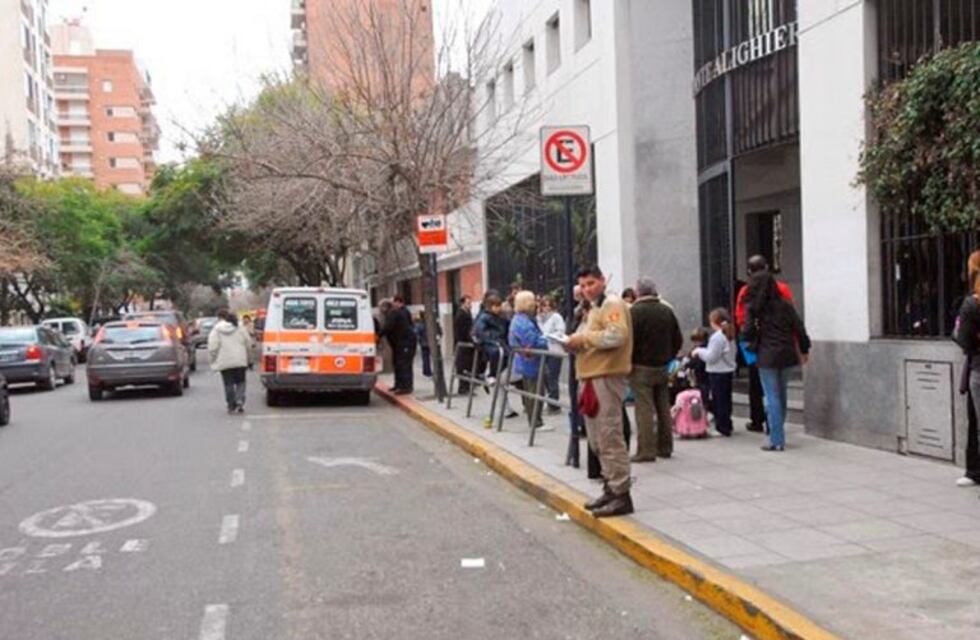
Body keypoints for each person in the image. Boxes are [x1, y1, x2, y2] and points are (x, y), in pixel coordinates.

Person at [565, 265, 634, 517]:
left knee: (609, 436)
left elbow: (617, 336)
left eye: (591, 284)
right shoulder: (593, 308)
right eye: (582, 285)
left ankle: (621, 492)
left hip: (606, 376)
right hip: (591, 376)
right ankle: (610, 487)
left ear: (603, 281)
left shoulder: (612, 305)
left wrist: (582, 340)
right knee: (596, 439)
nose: (586, 289)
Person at [742, 272, 811, 451]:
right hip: (787, 354)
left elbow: (747, 333)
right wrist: (804, 348)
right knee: (781, 394)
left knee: (771, 396)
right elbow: (799, 327)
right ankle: (778, 433)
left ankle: (776, 439)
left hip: (767, 355)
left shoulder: (754, 308)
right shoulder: (785, 305)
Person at [735, 255, 794, 433]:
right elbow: (791, 316)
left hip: (755, 344)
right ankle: (775, 425)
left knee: (757, 383)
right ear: (767, 267)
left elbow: (740, 318)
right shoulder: (782, 288)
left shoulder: (746, 291)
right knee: (779, 389)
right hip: (781, 342)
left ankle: (757, 419)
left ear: (749, 271)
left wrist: (747, 338)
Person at [628, 277, 683, 462]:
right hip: (662, 365)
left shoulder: (634, 312)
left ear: (638, 292)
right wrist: (669, 356)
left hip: (641, 366)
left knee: (644, 409)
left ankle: (646, 450)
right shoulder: (666, 310)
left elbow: (630, 341)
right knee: (663, 406)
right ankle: (665, 446)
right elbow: (678, 339)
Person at [953, 250, 980, 488]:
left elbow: (963, 339)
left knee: (976, 420)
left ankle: (974, 470)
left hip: (978, 366)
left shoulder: (971, 303)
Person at [693, 308, 737, 437]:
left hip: (717, 371)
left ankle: (722, 427)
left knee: (719, 400)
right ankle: (727, 423)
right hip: (727, 370)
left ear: (714, 321)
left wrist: (699, 351)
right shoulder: (729, 334)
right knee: (725, 399)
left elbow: (711, 357)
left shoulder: (717, 337)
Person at [509, 291, 549, 429]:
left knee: (531, 391)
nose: (535, 304)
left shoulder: (517, 319)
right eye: (532, 301)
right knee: (536, 392)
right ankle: (536, 422)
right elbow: (534, 342)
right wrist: (546, 339)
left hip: (524, 362)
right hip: (532, 362)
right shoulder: (525, 323)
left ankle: (534, 420)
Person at [208, 309, 253, 414]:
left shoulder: (216, 330)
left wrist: (213, 361)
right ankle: (240, 400)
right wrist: (249, 359)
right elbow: (248, 344)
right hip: (240, 360)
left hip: (224, 361)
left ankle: (231, 405)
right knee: (241, 382)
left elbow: (213, 347)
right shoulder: (241, 328)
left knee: (228, 384)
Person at [381, 295, 416, 395]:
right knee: (398, 364)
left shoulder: (396, 313)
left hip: (405, 343)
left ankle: (406, 386)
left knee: (404, 364)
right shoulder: (396, 313)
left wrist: (378, 336)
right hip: (399, 343)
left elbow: (387, 327)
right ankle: (399, 385)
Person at [537, 295, 566, 413]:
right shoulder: (538, 317)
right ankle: (550, 400)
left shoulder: (556, 316)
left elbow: (561, 331)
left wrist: (549, 336)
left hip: (554, 349)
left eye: (549, 305)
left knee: (553, 377)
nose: (547, 308)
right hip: (543, 350)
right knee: (545, 377)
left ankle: (554, 405)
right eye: (544, 305)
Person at [453, 295, 475, 395]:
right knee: (462, 366)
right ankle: (463, 387)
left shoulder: (468, 313)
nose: (470, 305)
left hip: (466, 344)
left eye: (470, 303)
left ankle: (466, 386)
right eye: (468, 303)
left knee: (467, 365)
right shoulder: (461, 315)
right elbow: (462, 331)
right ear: (463, 304)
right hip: (462, 345)